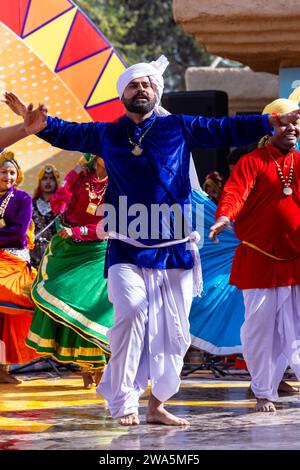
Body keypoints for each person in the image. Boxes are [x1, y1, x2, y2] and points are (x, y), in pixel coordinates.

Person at [3, 57, 300, 426]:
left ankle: (157, 404)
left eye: (146, 84)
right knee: (130, 312)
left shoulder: (179, 127)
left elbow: (223, 128)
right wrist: (39, 126)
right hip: (126, 245)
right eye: (133, 85)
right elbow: (68, 132)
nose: (141, 89)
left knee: (175, 335)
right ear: (123, 95)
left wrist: (268, 121)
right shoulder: (108, 134)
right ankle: (124, 399)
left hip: (174, 248)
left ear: (155, 91)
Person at [209, 88, 300, 412]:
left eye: (295, 125)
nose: (292, 129)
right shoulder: (252, 162)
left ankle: (277, 384)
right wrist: (223, 217)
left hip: (296, 262)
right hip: (259, 260)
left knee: (298, 329)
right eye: (285, 124)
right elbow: (235, 193)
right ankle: (262, 390)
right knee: (260, 329)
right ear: (270, 126)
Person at [26, 154, 114, 389]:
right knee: (68, 301)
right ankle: (85, 367)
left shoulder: (118, 180)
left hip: (98, 251)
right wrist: (72, 179)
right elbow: (58, 206)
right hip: (69, 249)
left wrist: (80, 230)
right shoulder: (80, 176)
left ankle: (100, 366)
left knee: (93, 308)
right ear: (95, 155)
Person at [0, 151, 39, 384]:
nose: (8, 176)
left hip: (13, 261)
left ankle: (3, 369)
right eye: (4, 172)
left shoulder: (22, 198)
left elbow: (17, 232)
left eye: (12, 172)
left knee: (11, 307)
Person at [30, 164, 60, 268]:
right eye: (44, 178)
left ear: (56, 182)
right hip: (32, 258)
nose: (48, 182)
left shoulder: (62, 206)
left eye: (51, 178)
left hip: (55, 257)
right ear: (39, 182)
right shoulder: (29, 205)